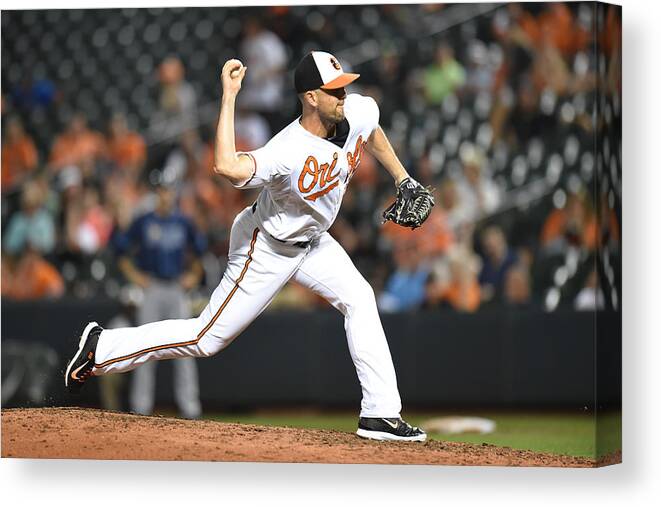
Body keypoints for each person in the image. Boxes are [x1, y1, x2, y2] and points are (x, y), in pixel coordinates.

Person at [65, 51, 427, 442]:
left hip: (315, 243)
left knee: (360, 297)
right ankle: (102, 348)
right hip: (266, 245)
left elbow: (371, 131)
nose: (344, 94)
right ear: (310, 97)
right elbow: (226, 166)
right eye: (334, 89)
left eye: (344, 86)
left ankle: (380, 414)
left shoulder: (356, 109)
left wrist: (403, 179)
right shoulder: (287, 150)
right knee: (206, 338)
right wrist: (229, 96)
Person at [113, 181, 206, 420]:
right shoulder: (144, 221)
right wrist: (135, 276)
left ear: (173, 193)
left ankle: (190, 408)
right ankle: (140, 408)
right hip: (153, 287)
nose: (165, 195)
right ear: (156, 193)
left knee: (185, 349)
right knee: (145, 348)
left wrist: (194, 275)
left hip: (175, 288)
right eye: (161, 190)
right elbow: (120, 250)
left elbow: (199, 253)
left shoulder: (183, 221)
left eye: (168, 190)